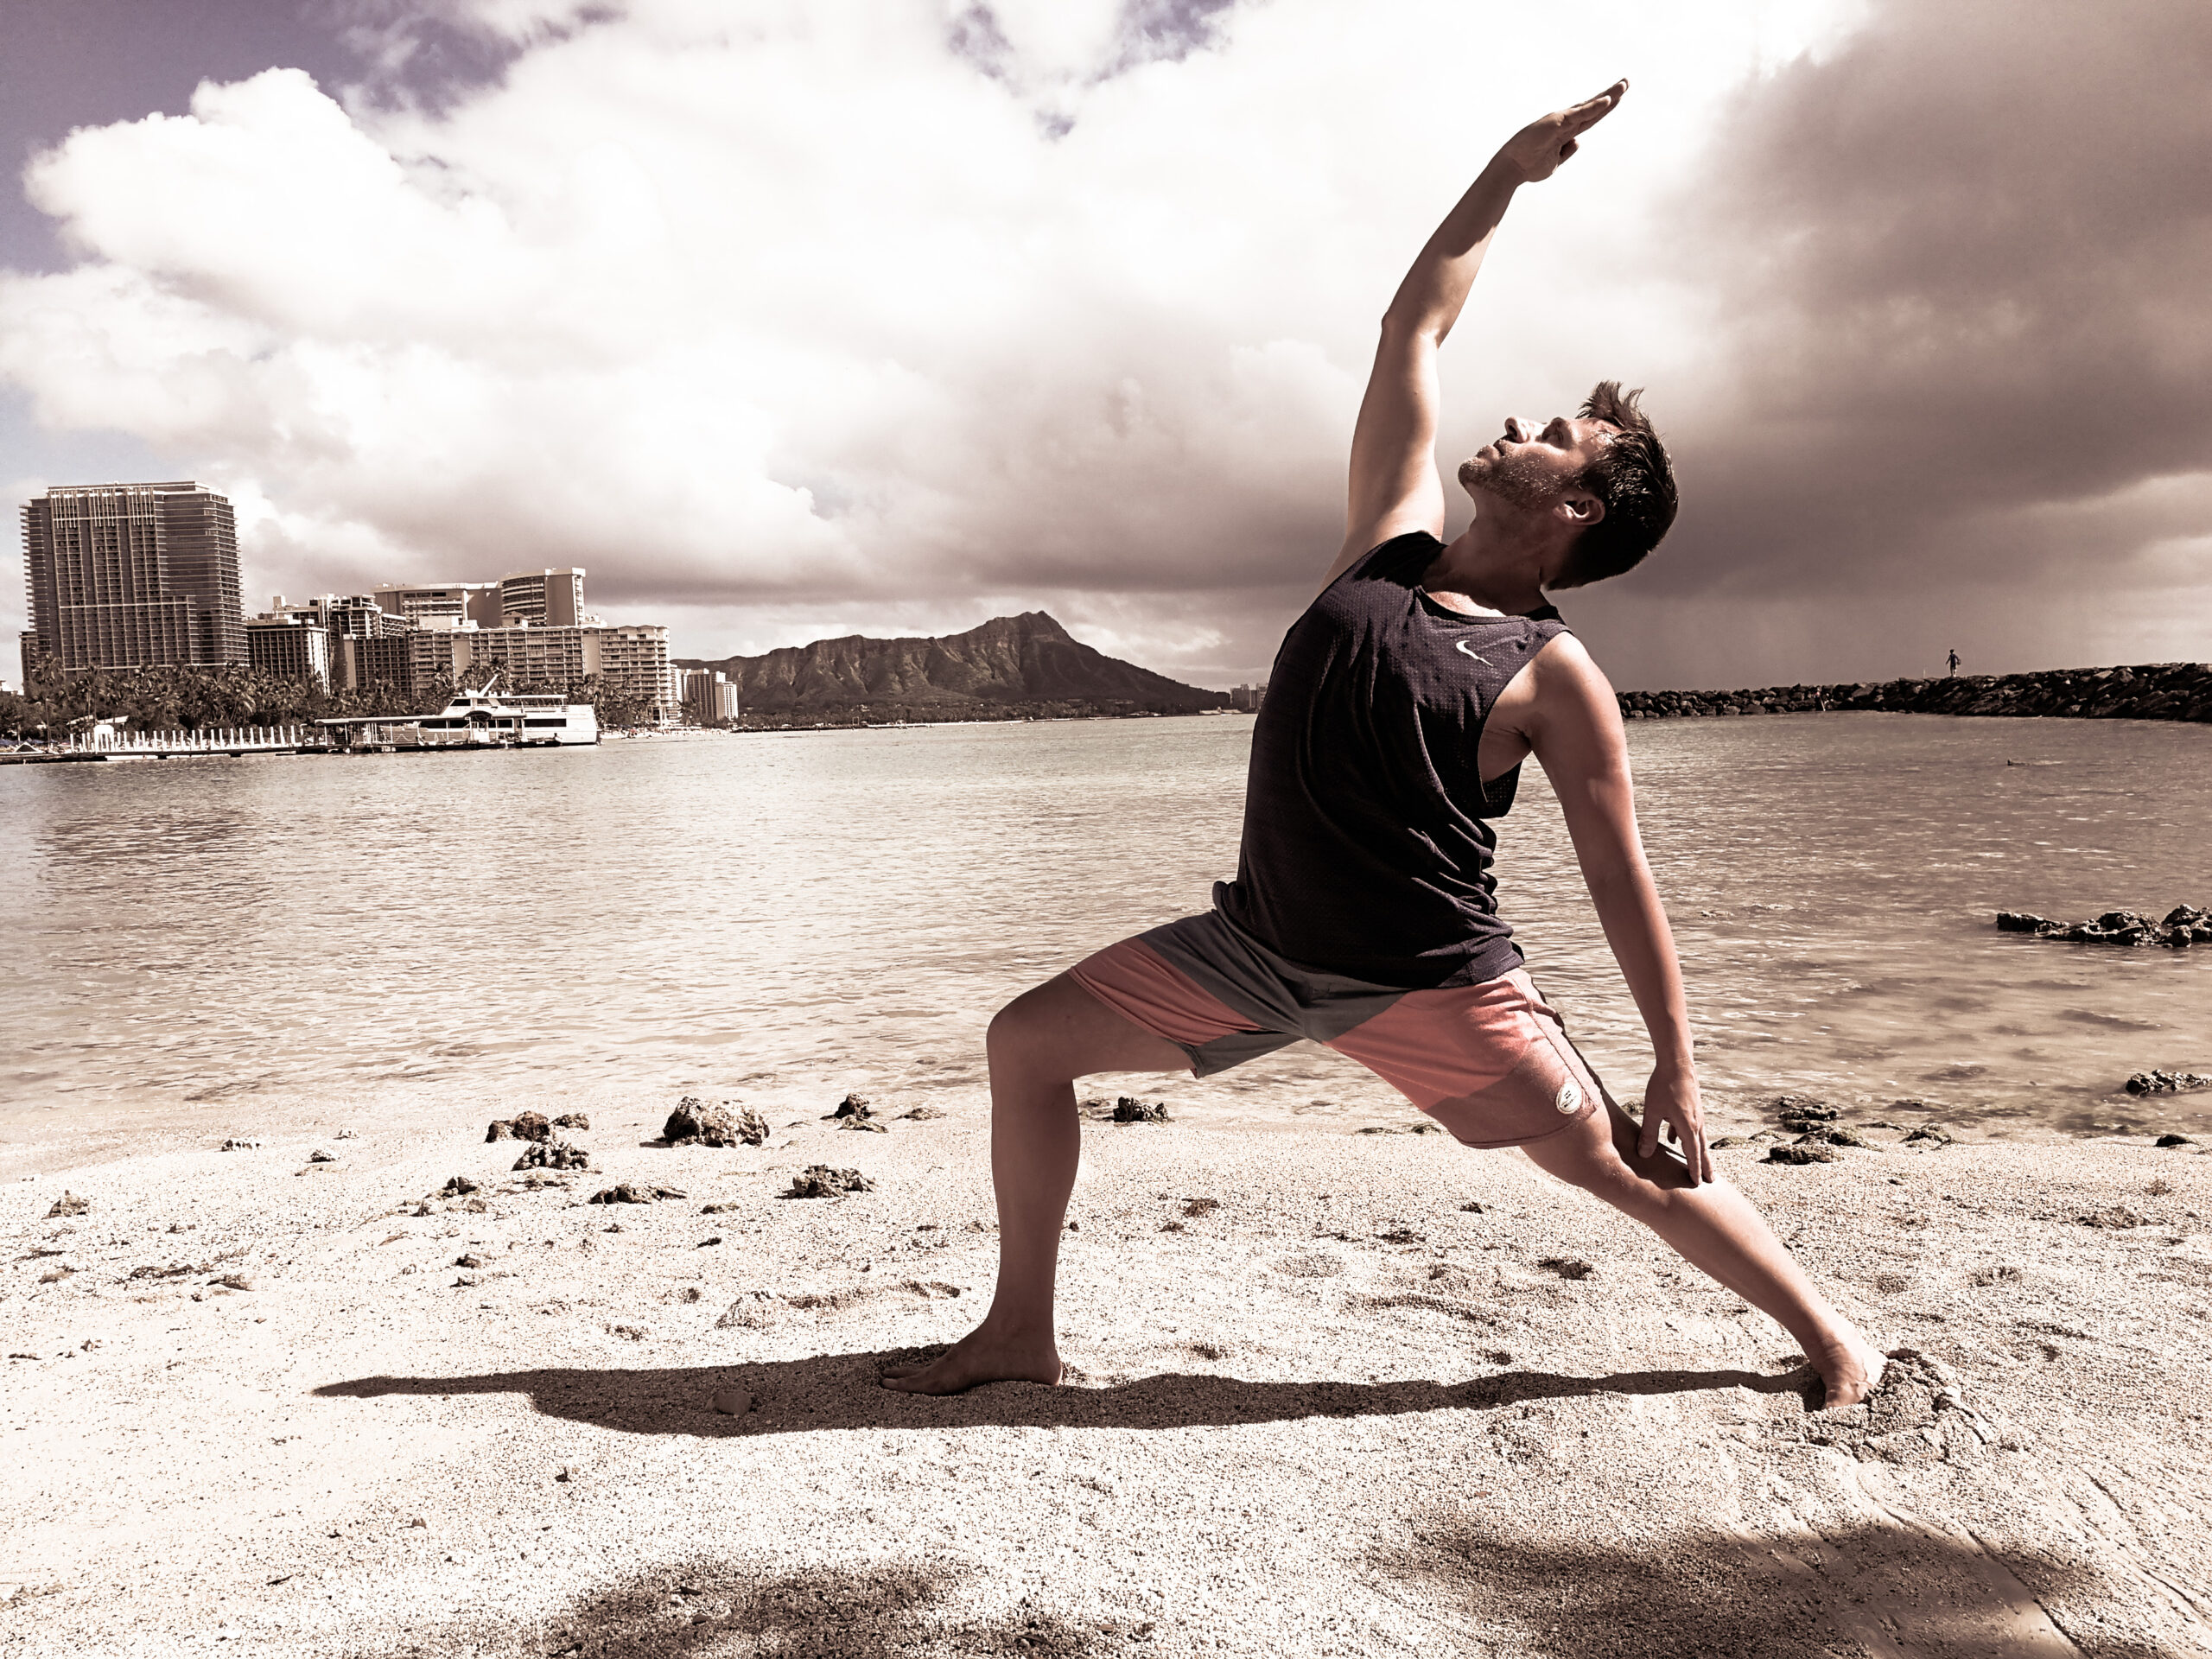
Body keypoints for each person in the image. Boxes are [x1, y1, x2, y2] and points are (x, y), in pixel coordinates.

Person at [886, 82, 1886, 1408]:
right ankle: (1020, 1329)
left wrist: (1677, 1060)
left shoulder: (1553, 672)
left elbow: (1616, 875)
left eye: (1556, 436)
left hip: (1434, 985)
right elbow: (1414, 319)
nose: (1522, 422)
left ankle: (1834, 1341)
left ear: (1578, 503)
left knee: (1618, 1165)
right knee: (1026, 1044)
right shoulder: (1383, 547)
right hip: (1253, 948)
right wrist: (1505, 172)